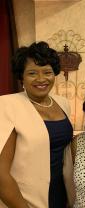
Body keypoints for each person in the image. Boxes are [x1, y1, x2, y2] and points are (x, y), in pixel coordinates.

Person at [0, 41, 74, 208]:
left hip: (60, 193)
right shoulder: (7, 105)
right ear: (21, 77)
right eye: (32, 73)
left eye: (47, 72)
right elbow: (1, 174)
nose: (41, 79)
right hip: (23, 200)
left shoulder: (63, 103)